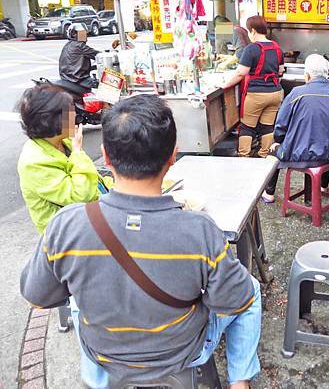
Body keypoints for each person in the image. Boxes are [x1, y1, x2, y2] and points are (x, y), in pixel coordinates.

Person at [20, 95, 261, 389]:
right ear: (173, 156)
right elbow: (232, 300)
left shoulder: (65, 225)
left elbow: (38, 297)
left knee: (78, 306)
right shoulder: (201, 230)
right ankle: (239, 383)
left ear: (106, 157)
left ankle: (97, 381)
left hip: (103, 352)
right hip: (181, 353)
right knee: (252, 292)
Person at [262, 55, 329, 203]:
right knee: (327, 140)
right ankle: (323, 186)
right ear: (327, 74)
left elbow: (281, 125)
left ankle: (269, 193)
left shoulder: (295, 93)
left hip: (295, 154)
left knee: (273, 149)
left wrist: (278, 141)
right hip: (328, 155)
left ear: (307, 75)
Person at [17, 83, 110, 234]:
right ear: (52, 121)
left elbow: (94, 180)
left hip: (90, 219)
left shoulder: (62, 140)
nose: (75, 116)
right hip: (67, 235)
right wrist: (78, 152)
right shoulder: (34, 162)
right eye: (69, 112)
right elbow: (81, 195)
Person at [220, 15, 284, 158]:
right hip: (275, 93)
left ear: (253, 30)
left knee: (247, 127)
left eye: (249, 31)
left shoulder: (252, 49)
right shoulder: (276, 47)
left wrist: (224, 85)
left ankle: (244, 156)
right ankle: (263, 155)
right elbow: (280, 71)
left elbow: (240, 73)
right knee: (267, 126)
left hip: (256, 95)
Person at [59, 23, 99, 89]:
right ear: (74, 34)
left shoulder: (67, 45)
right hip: (78, 80)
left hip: (67, 79)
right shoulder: (79, 46)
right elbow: (99, 55)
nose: (85, 36)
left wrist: (93, 67)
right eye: (82, 33)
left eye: (85, 33)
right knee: (104, 86)